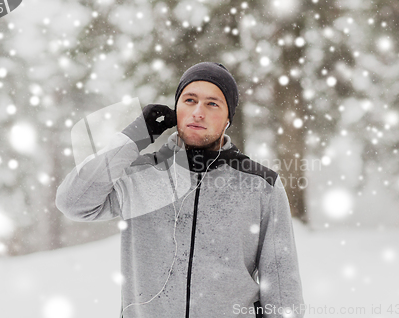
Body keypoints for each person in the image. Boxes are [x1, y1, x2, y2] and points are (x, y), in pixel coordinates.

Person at [55, 62, 305, 317]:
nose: (198, 112)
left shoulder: (261, 185)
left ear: (228, 117)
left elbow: (283, 290)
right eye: (189, 100)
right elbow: (73, 202)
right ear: (177, 109)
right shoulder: (138, 175)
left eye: (212, 104)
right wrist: (134, 137)